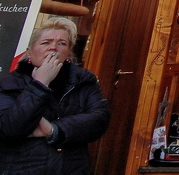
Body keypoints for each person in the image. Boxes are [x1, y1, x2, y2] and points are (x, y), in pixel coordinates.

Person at [0, 17, 111, 175]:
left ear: (68, 52)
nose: (53, 48)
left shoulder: (84, 80)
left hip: (72, 168)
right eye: (46, 42)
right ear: (30, 51)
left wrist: (54, 129)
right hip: (23, 168)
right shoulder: (9, 83)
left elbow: (99, 119)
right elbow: (9, 129)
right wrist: (40, 84)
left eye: (62, 43)